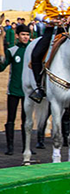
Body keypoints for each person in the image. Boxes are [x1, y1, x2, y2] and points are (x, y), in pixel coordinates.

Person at [1, 24, 31, 154]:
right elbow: (2, 67)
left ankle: (27, 147)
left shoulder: (32, 50)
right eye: (23, 35)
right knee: (11, 118)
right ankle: (10, 147)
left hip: (28, 92)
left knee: (27, 120)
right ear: (17, 36)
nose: (25, 37)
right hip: (13, 90)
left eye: (27, 35)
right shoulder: (12, 50)